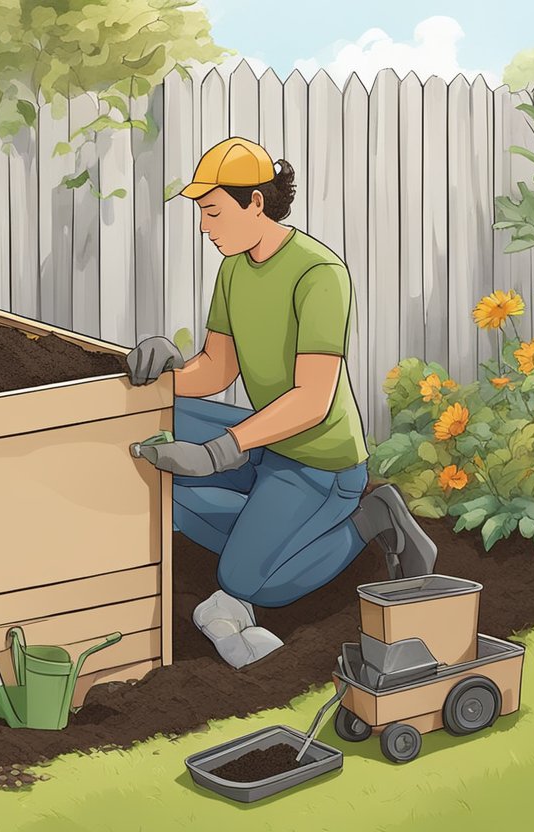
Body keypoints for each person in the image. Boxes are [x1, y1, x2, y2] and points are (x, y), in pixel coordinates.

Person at [126, 137, 437, 670]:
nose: (205, 226)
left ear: (256, 203)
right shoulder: (234, 269)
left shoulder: (320, 274)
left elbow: (312, 401)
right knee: (161, 456)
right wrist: (167, 373)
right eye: (203, 212)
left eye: (214, 211)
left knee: (244, 580)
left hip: (321, 460)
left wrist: (220, 452)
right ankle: (266, 520)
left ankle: (367, 521)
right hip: (265, 442)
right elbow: (218, 369)